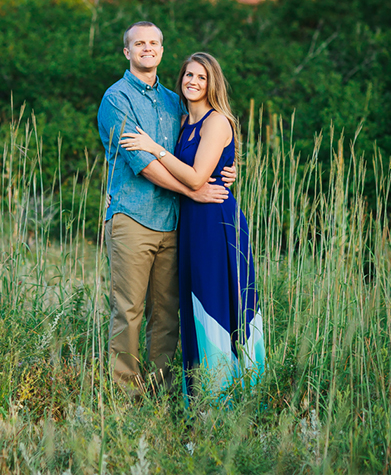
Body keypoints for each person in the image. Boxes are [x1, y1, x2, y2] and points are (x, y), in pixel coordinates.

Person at [97, 21, 234, 398]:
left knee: (167, 314)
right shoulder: (117, 99)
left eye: (153, 43)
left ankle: (160, 395)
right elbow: (145, 164)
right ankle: (126, 398)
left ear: (161, 50)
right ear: (127, 52)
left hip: (175, 224)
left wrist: (227, 169)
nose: (147, 48)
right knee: (128, 311)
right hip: (133, 218)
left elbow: (198, 147)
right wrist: (194, 190)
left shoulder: (175, 101)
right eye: (138, 43)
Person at [120, 52, 265, 399]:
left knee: (218, 302)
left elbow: (199, 177)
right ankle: (201, 398)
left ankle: (232, 398)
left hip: (216, 222)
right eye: (188, 75)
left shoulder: (217, 122)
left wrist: (154, 149)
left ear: (211, 82)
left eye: (201, 77)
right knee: (195, 304)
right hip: (190, 224)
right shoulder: (183, 122)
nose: (193, 82)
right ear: (181, 79)